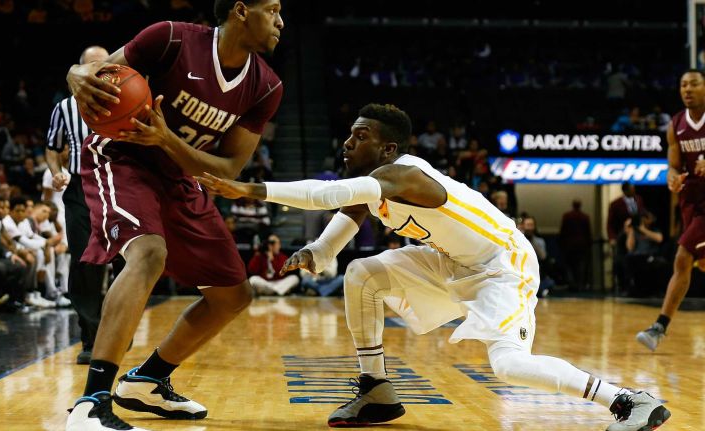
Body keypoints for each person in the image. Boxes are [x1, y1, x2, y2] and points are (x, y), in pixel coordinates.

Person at [198, 103, 671, 431]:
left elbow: (331, 196)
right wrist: (322, 250)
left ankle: (627, 400)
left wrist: (253, 190)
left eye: (359, 136)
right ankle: (376, 388)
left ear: (387, 150)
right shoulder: (377, 185)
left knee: (507, 365)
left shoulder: (405, 174)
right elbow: (350, 213)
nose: (346, 142)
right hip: (452, 262)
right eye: (349, 133)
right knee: (362, 274)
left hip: (503, 265)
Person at [64, 1, 284, 430]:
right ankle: (92, 402)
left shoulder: (266, 87)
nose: (281, 21)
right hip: (123, 157)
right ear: (241, 10)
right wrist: (75, 74)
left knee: (232, 295)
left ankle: (147, 380)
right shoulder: (170, 37)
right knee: (148, 253)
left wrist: (167, 141)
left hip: (182, 175)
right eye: (273, 9)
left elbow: (227, 170)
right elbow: (96, 74)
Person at [45, 45, 113, 365]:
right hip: (78, 189)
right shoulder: (65, 108)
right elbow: (52, 147)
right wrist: (56, 172)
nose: (101, 73)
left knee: (128, 262)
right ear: (80, 72)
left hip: (118, 189)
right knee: (84, 260)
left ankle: (114, 331)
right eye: (94, 68)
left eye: (106, 67)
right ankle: (90, 337)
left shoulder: (125, 99)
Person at [636, 69, 705, 352]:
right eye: (683, 85)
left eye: (694, 84)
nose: (687, 89)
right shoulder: (676, 124)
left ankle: (658, 327)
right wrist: (672, 176)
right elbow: (674, 164)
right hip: (692, 199)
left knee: (682, 256)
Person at [559, 199, 592, 292]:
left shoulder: (567, 216)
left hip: (569, 245)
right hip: (582, 245)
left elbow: (563, 231)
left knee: (569, 266)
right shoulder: (585, 217)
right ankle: (580, 285)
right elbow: (588, 233)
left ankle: (572, 284)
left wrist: (562, 244)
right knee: (581, 266)